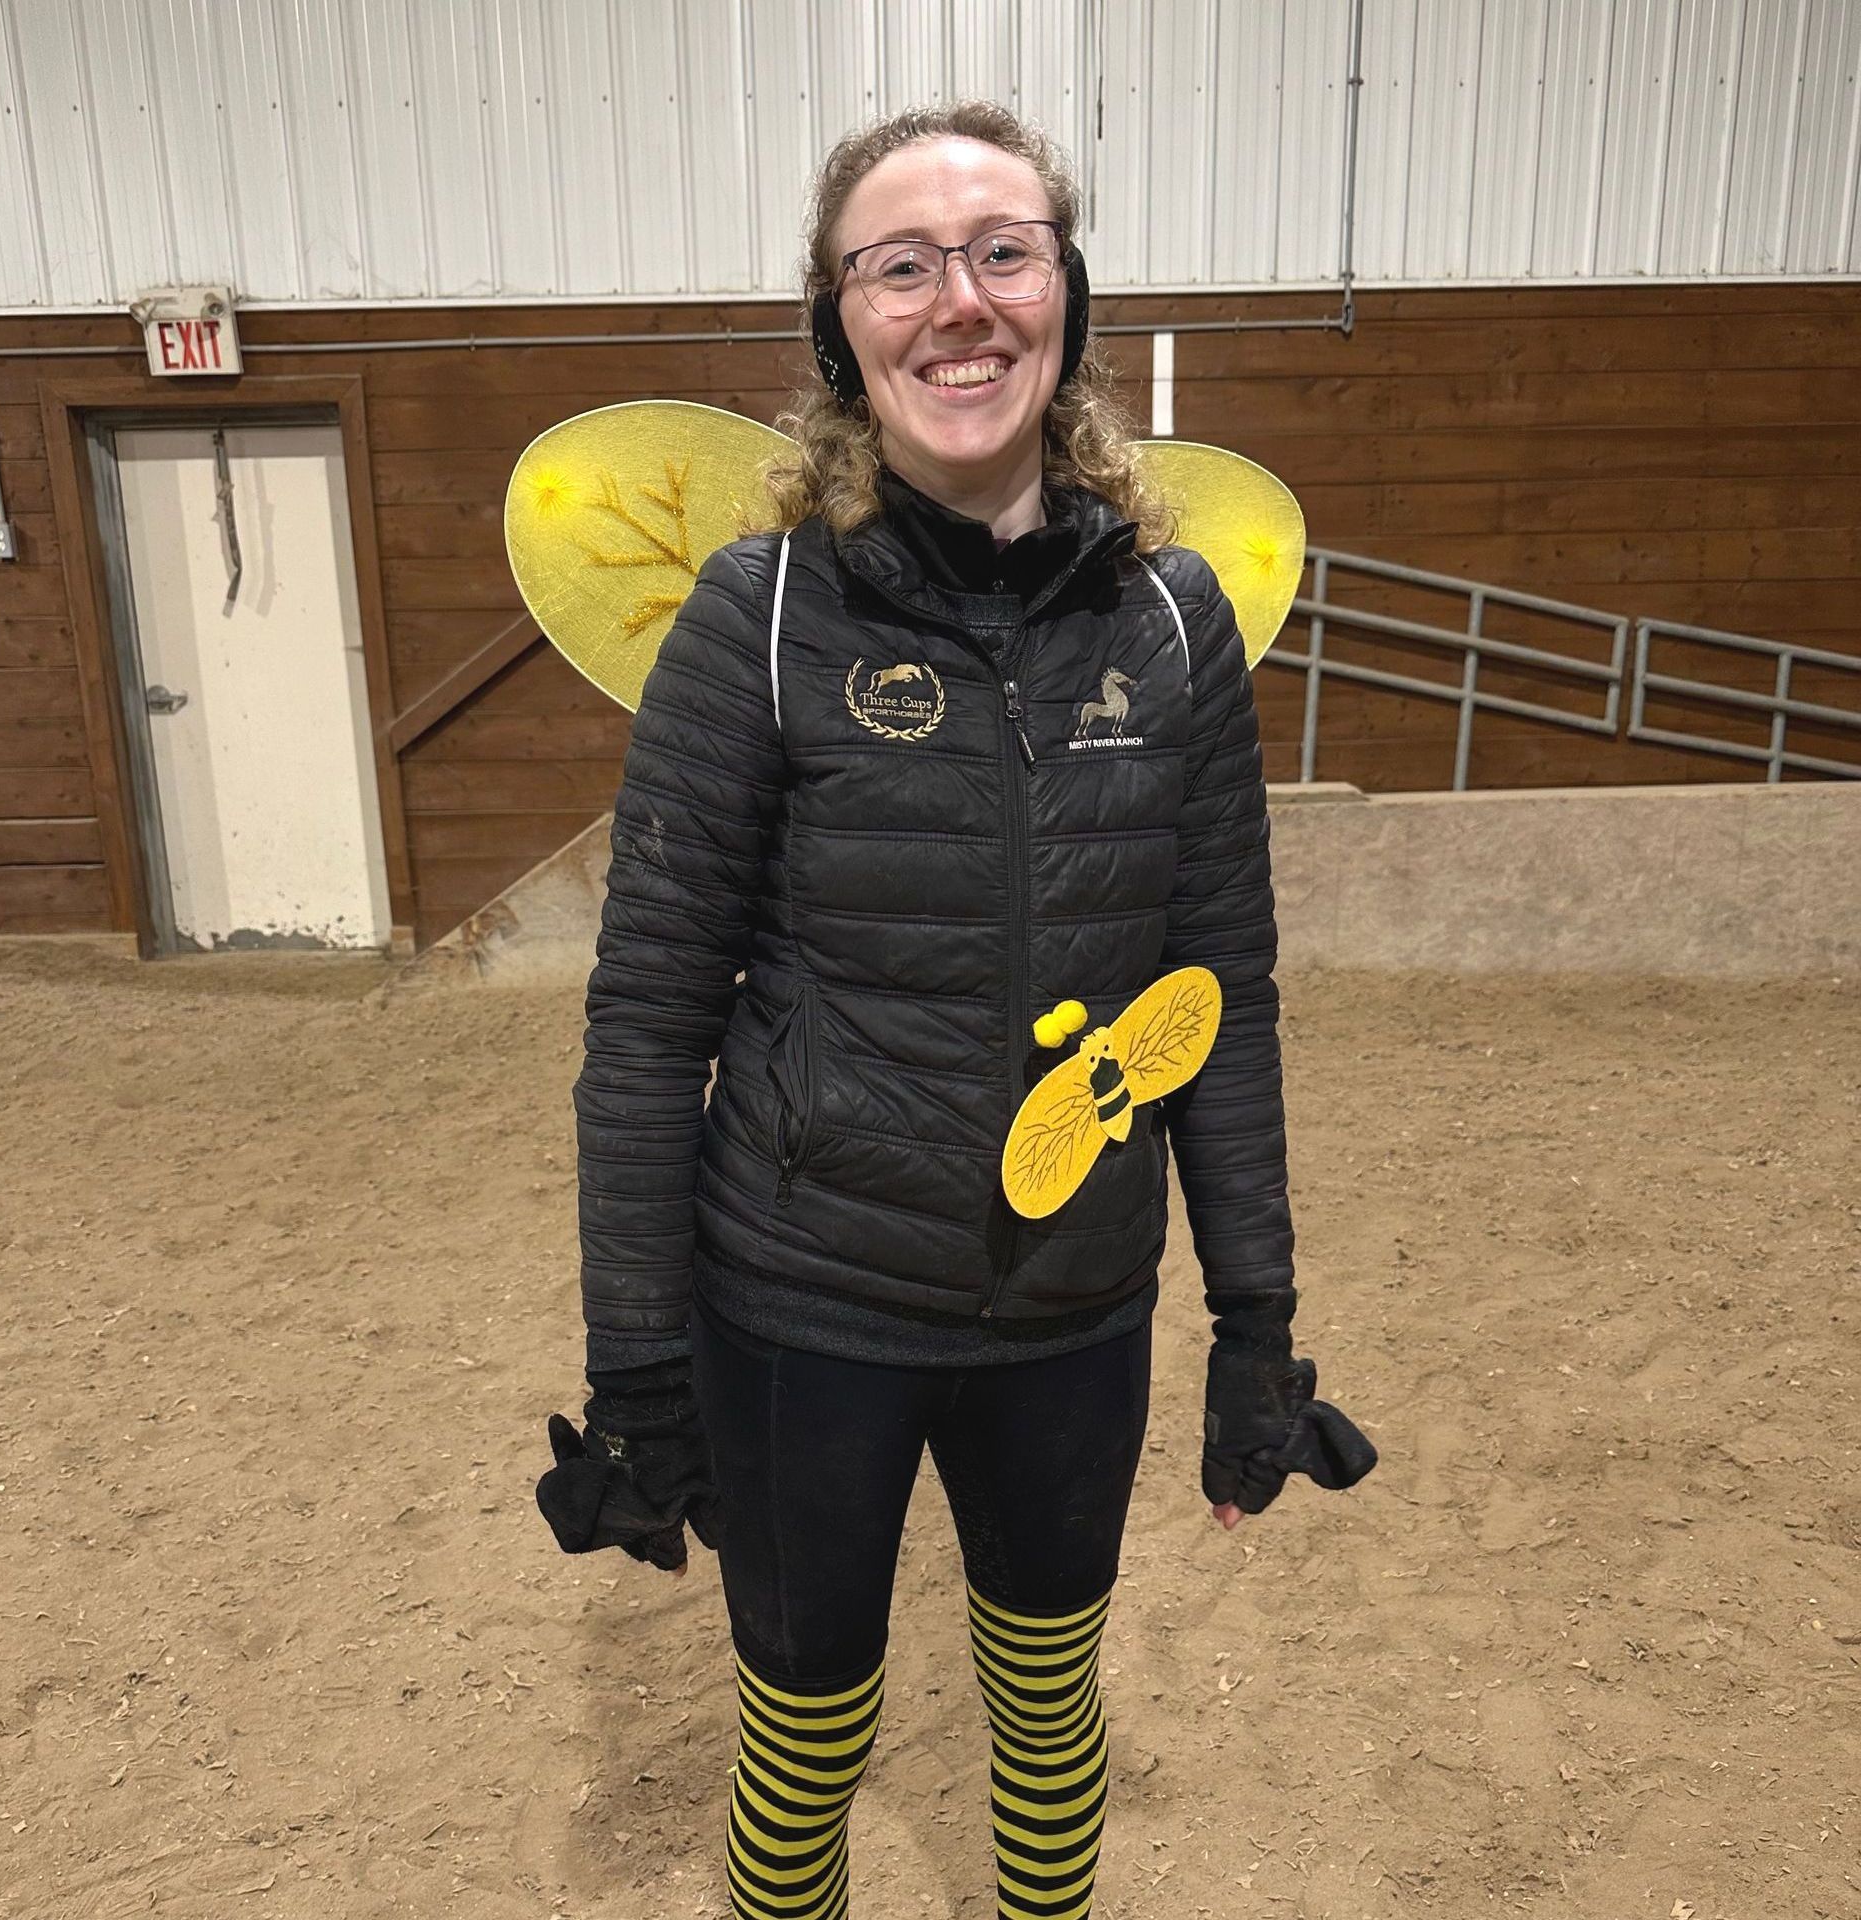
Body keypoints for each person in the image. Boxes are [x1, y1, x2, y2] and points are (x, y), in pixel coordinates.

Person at [536, 98, 1377, 1920]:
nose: (959, 302)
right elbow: (643, 1027)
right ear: (839, 322)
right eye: (899, 264)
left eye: (1004, 252)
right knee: (806, 1732)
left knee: (1050, 1710)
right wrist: (636, 1369)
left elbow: (1220, 988)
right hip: (801, 1302)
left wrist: (1258, 1321)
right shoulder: (755, 618)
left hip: (1076, 1301)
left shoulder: (1171, 627)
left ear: (1068, 294)